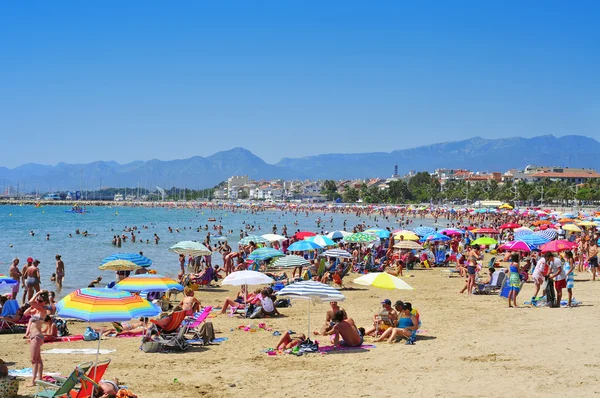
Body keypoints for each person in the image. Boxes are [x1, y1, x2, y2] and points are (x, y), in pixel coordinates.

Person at [26, 290, 50, 386]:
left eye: (40, 301)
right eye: (38, 301)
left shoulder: (42, 309)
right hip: (35, 336)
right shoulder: (37, 311)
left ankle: (33, 381)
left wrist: (37, 293)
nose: (38, 303)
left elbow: (30, 302)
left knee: (33, 359)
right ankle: (40, 379)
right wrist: (34, 303)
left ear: (44, 302)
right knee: (38, 359)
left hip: (36, 336)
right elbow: (25, 313)